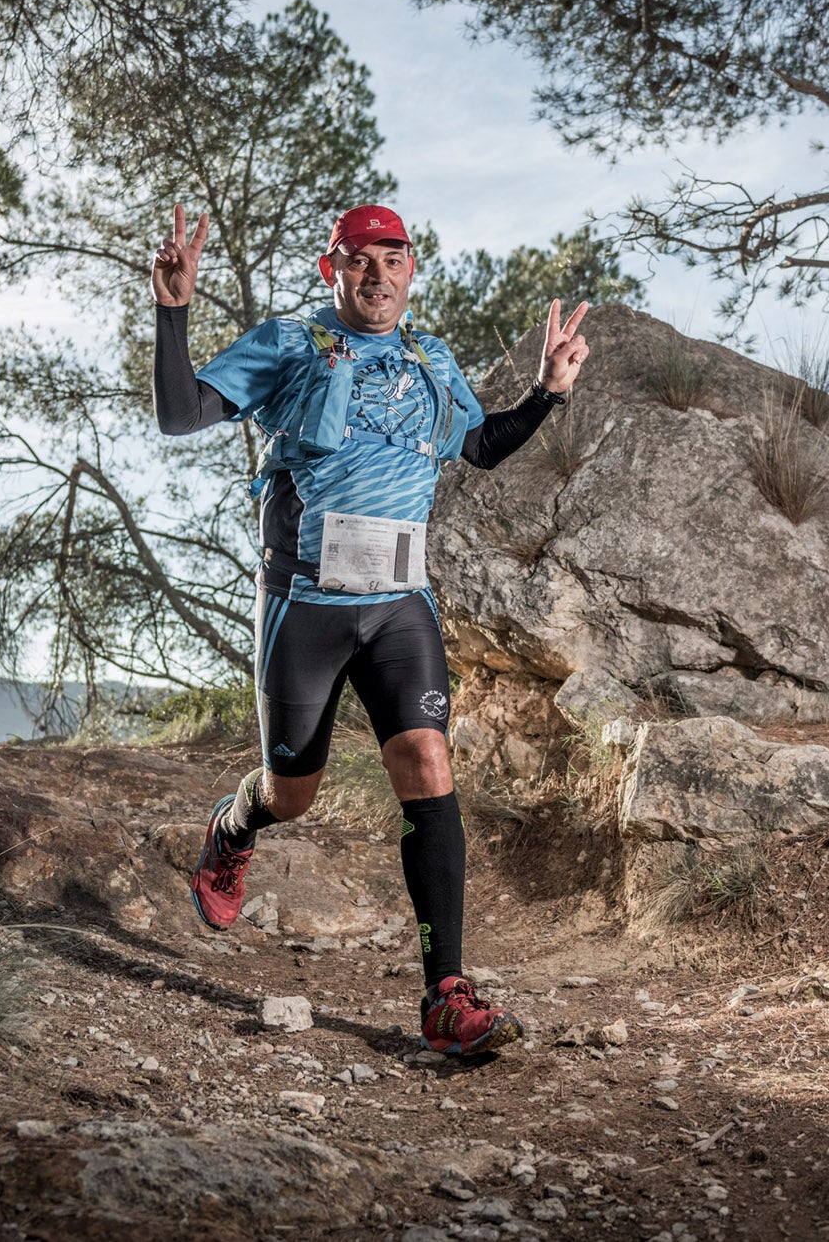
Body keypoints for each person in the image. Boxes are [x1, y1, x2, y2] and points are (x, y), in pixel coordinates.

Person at [151, 202, 590, 1056]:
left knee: (427, 761)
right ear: (333, 269)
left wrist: (548, 392)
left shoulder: (432, 359)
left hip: (399, 604)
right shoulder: (288, 344)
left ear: (411, 269)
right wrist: (174, 310)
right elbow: (179, 415)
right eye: (360, 260)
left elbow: (482, 445)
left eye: (393, 260)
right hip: (305, 606)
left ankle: (446, 995)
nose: (377, 275)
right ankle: (233, 830)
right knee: (293, 794)